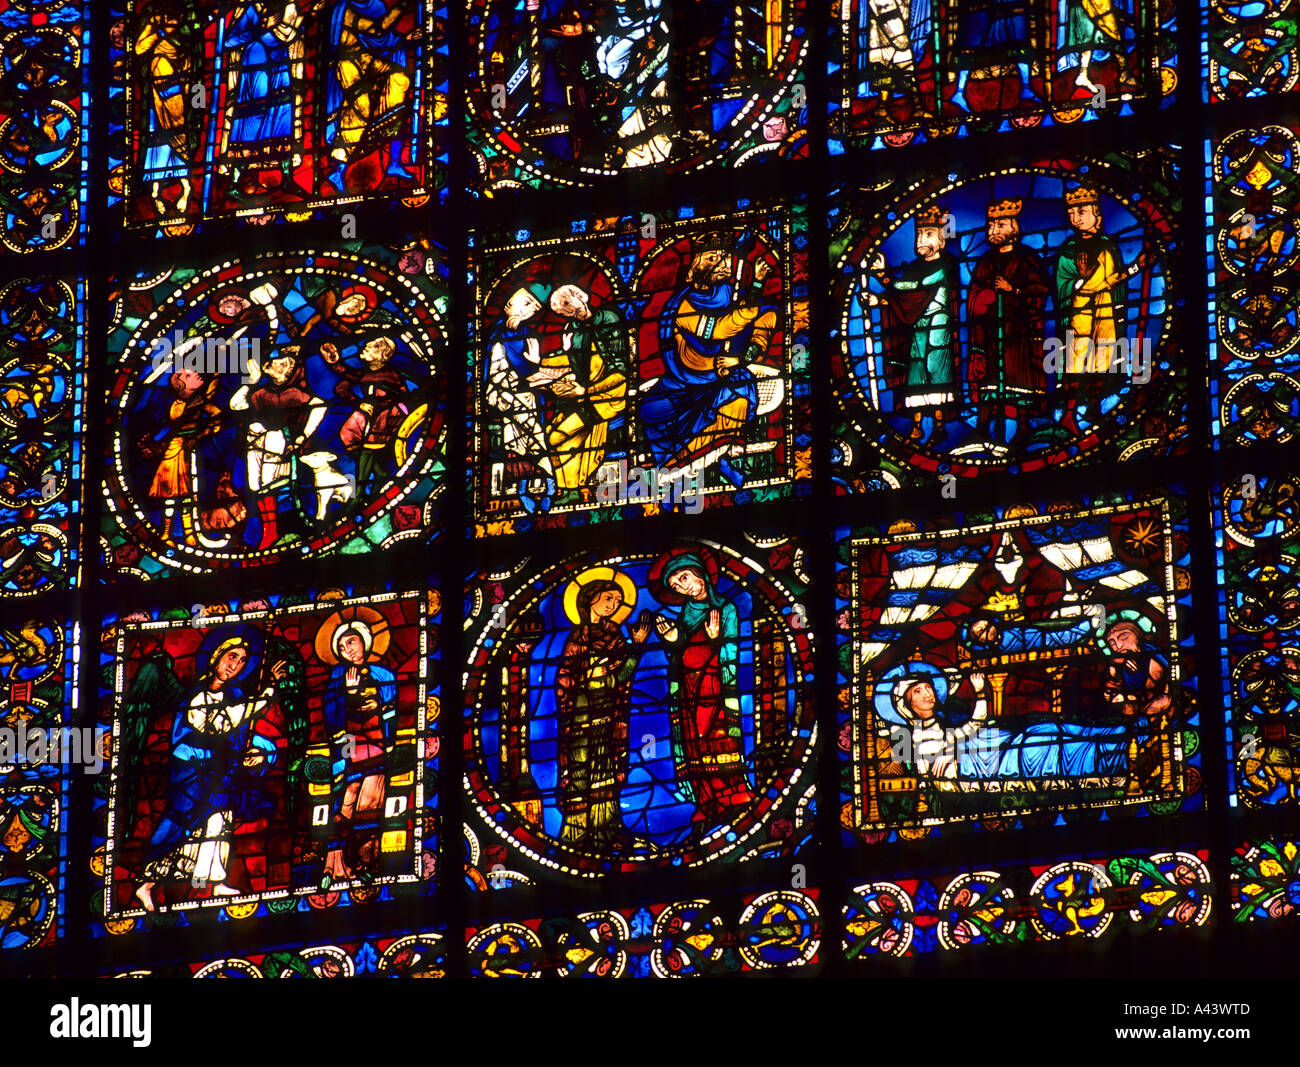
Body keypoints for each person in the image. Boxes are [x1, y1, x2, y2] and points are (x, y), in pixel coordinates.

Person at [135, 637, 288, 912]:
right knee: (180, 824)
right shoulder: (197, 695)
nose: (236, 665)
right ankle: (146, 883)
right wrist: (265, 695)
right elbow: (219, 725)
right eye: (231, 657)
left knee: (219, 820)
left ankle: (215, 882)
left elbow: (239, 737)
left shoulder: (236, 696)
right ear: (216, 656)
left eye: (241, 661)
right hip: (191, 773)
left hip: (217, 772)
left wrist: (260, 752)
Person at [639, 236, 777, 482]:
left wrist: (741, 358)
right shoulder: (681, 307)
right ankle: (679, 469)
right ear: (695, 265)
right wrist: (756, 284)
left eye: (725, 258)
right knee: (651, 411)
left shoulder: (728, 292)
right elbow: (720, 330)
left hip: (725, 375)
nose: (723, 264)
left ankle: (714, 458)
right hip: (687, 381)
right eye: (713, 258)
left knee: (737, 400)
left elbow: (759, 320)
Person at [651, 553, 755, 833]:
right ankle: (707, 804)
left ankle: (733, 800)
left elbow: (729, 652)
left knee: (719, 740)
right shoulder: (685, 614)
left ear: (701, 575)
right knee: (692, 745)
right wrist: (673, 643)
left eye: (684, 579)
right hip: (688, 690)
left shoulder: (727, 608)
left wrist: (715, 640)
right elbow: (681, 658)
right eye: (675, 586)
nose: (683, 588)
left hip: (716, 689)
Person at [554, 571, 651, 850]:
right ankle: (576, 834)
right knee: (579, 771)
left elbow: (624, 677)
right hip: (580, 717)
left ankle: (605, 831)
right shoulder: (577, 637)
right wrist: (588, 675)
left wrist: (638, 646)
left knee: (606, 770)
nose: (613, 605)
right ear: (589, 600)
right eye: (608, 598)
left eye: (618, 601)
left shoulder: (615, 635)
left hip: (609, 712)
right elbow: (563, 679)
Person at [862, 204, 960, 444]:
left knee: (937, 374)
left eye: (927, 233)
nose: (920, 239)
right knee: (916, 375)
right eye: (918, 234)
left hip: (940, 325)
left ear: (941, 237)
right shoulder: (913, 268)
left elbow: (919, 287)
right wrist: (880, 301)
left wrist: (885, 277)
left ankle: (939, 426)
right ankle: (916, 427)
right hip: (917, 327)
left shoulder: (946, 265)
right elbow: (903, 298)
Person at [320, 614, 397, 883]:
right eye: (341, 648)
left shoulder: (383, 674)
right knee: (345, 802)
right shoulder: (337, 677)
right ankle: (335, 865)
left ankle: (367, 862)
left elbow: (391, 710)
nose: (347, 650)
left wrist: (377, 705)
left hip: (377, 746)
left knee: (371, 804)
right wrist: (348, 694)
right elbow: (331, 713)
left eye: (351, 643)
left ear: (365, 641)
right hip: (348, 748)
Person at [966, 197, 1050, 445]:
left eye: (999, 225)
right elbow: (972, 294)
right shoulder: (986, 262)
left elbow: (1040, 290)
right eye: (990, 226)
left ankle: (1024, 429)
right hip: (991, 332)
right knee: (988, 381)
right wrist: (983, 297)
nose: (993, 231)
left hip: (1019, 333)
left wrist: (1012, 289)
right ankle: (981, 428)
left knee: (1019, 380)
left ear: (1014, 227)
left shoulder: (1027, 258)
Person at [229, 344, 327, 549]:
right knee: (256, 488)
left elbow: (320, 406)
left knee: (269, 486)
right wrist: (250, 382)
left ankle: (274, 531)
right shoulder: (260, 392)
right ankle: (269, 531)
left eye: (275, 360)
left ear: (286, 366)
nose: (268, 363)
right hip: (253, 441)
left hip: (275, 441)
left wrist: (303, 436)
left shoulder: (294, 393)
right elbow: (235, 404)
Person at [544, 283, 628, 498]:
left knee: (556, 438)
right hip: (586, 394)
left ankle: (573, 486)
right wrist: (542, 362)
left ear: (582, 296)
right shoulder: (575, 330)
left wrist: (585, 391)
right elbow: (577, 361)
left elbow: (620, 372)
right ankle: (571, 487)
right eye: (566, 313)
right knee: (550, 434)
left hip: (609, 396)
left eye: (572, 307)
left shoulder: (609, 320)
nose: (573, 313)